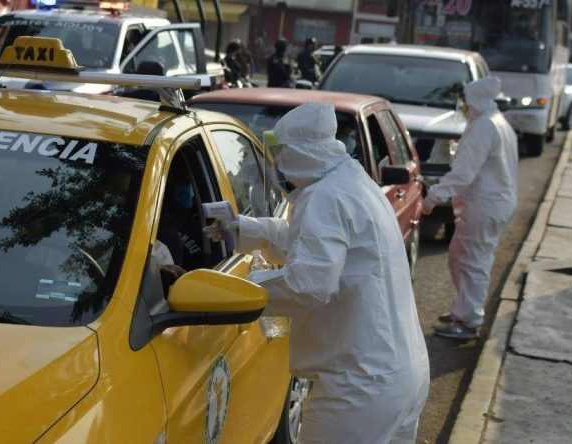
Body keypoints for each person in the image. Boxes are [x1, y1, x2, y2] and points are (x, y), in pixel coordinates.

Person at [205, 103, 429, 443]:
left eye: (281, 153)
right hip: (401, 376)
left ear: (301, 152)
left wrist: (235, 290)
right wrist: (243, 229)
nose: (278, 164)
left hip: (357, 390)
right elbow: (310, 241)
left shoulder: (326, 196)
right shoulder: (351, 181)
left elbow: (309, 285)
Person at [424, 77, 518, 339]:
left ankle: (468, 320)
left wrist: (433, 196)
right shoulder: (492, 122)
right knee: (461, 256)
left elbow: (463, 174)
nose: (463, 106)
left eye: (466, 100)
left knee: (472, 261)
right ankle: (463, 309)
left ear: (475, 100)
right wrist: (455, 150)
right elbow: (478, 161)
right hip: (491, 203)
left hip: (486, 205)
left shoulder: (484, 126)